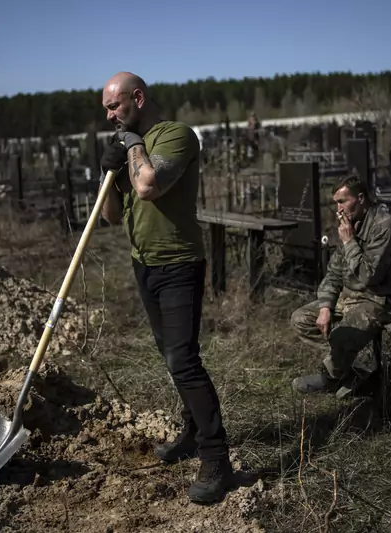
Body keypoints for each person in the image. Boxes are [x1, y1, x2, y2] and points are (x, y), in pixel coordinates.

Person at [97, 72, 233, 504]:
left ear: (137, 98)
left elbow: (150, 185)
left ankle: (217, 459)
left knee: (184, 360)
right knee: (170, 357)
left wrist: (134, 145)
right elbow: (113, 217)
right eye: (105, 109)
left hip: (179, 265)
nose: (110, 115)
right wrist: (105, 174)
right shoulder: (126, 146)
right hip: (145, 265)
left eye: (115, 106)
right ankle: (192, 432)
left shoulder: (175, 136)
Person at [290, 175, 391, 397]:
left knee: (342, 335)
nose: (338, 209)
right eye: (336, 202)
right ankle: (354, 373)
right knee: (301, 319)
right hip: (350, 297)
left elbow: (370, 277)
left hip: (379, 299)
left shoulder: (384, 226)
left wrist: (349, 242)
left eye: (342, 201)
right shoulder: (349, 224)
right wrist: (325, 307)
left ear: (360, 198)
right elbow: (334, 272)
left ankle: (329, 377)